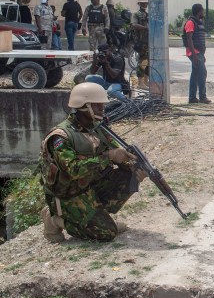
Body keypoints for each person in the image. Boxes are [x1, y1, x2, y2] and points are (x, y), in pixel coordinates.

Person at [38, 82, 146, 242]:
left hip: (90, 187)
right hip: (69, 194)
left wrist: (135, 169)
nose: (102, 109)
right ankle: (55, 219)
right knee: (108, 234)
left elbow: (118, 154)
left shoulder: (97, 129)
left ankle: (96, 217)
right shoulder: (60, 137)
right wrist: (109, 156)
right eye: (98, 106)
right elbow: (73, 170)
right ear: (84, 106)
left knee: (129, 174)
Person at [184, 4, 211, 104]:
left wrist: (202, 55)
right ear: (198, 12)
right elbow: (189, 38)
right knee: (202, 73)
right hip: (194, 52)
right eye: (202, 11)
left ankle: (192, 98)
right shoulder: (191, 22)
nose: (203, 13)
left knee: (195, 74)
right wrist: (194, 56)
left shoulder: (199, 22)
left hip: (199, 52)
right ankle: (202, 97)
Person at [131, 0, 150, 87]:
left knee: (149, 62)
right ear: (139, 4)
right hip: (141, 41)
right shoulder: (136, 14)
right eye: (143, 3)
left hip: (148, 41)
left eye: (146, 3)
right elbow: (134, 25)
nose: (144, 4)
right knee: (142, 62)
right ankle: (140, 82)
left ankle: (146, 81)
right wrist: (145, 28)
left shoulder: (148, 14)